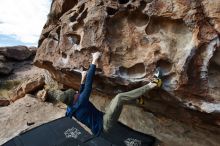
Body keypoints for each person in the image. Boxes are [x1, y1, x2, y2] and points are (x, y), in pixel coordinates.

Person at [48, 52, 162, 136]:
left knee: (116, 103)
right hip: (104, 125)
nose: (76, 92)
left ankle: (138, 100)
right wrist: (94, 60)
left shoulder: (70, 108)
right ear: (74, 99)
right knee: (119, 98)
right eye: (75, 93)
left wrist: (82, 77)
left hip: (98, 127)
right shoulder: (81, 102)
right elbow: (88, 84)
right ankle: (154, 84)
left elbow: (81, 92)